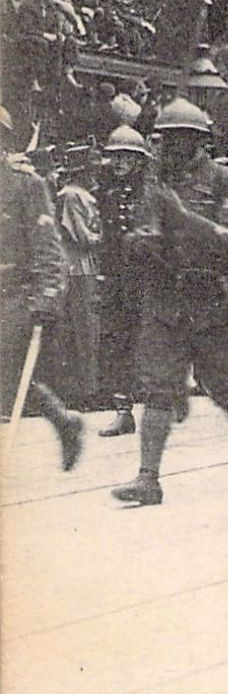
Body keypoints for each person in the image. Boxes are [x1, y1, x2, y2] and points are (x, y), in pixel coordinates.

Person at [111, 98, 228, 506]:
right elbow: (143, 231)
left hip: (212, 300)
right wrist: (139, 242)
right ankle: (148, 479)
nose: (171, 147)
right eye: (166, 138)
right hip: (165, 297)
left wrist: (181, 216)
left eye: (181, 138)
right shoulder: (155, 182)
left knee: (224, 387)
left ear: (199, 141)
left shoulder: (226, 181)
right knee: (158, 389)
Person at [0, 147, 84, 471]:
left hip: (15, 293)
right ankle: (63, 420)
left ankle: (63, 420)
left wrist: (48, 295)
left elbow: (48, 244)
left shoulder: (26, 185)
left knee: (7, 373)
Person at [95, 125, 153, 437]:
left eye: (126, 157)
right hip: (118, 279)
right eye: (115, 156)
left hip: (147, 279)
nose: (119, 163)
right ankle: (123, 411)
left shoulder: (153, 195)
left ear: (140, 161)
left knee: (153, 344)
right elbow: (106, 240)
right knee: (118, 341)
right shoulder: (106, 195)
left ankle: (160, 410)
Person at [47, 145, 101, 410]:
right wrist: (107, 237)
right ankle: (83, 392)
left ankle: (88, 388)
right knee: (82, 331)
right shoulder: (70, 195)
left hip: (87, 267)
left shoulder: (84, 194)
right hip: (77, 269)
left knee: (88, 330)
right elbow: (82, 236)